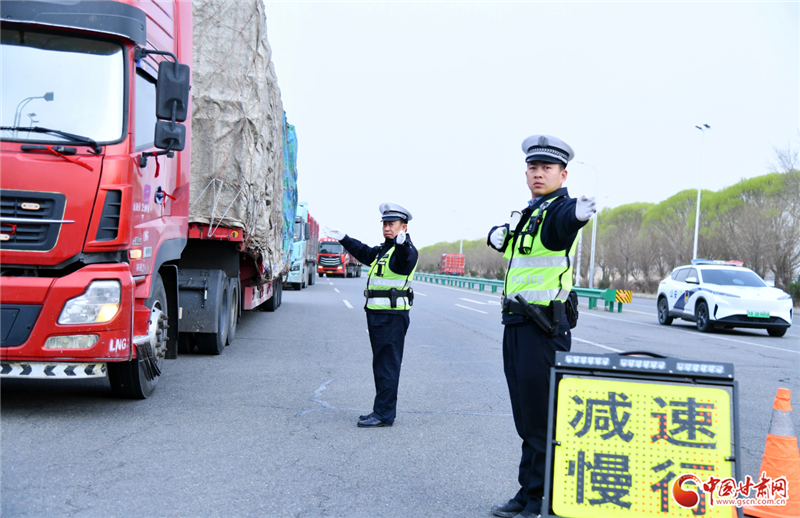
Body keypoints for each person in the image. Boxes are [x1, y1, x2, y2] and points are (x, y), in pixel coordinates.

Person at [487, 135, 596, 518]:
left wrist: (578, 216)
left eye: (547, 168)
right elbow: (514, 246)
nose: (538, 173)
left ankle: (541, 501)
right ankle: (527, 493)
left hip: (543, 327)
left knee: (542, 419)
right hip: (517, 322)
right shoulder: (530, 213)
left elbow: (564, 225)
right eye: (533, 167)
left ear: (562, 174)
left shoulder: (560, 210)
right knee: (527, 418)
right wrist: (497, 234)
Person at [323, 203, 419, 428]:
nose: (387, 228)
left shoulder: (405, 250)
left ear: (404, 227)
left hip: (392, 317)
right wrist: (344, 238)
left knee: (387, 365)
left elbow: (405, 258)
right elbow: (364, 252)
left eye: (392, 224)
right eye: (384, 224)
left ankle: (384, 414)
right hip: (378, 315)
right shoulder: (384, 250)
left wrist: (402, 244)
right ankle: (381, 410)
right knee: (381, 365)